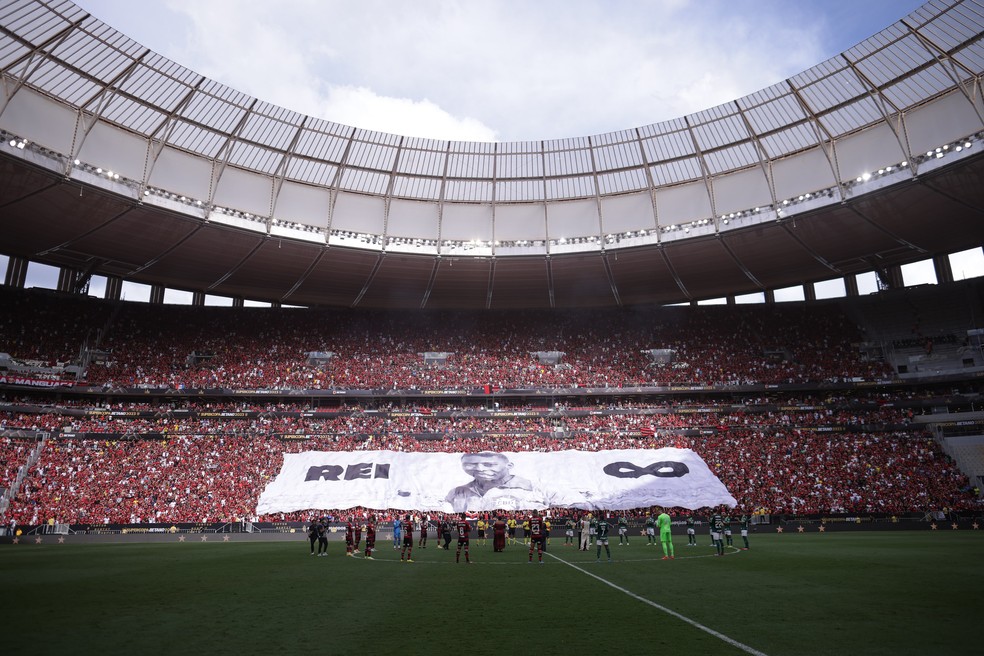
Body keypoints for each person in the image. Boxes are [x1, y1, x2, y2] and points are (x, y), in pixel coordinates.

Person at [445, 452, 547, 513]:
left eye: (488, 465)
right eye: (470, 464)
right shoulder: (456, 492)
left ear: (509, 466)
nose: (480, 469)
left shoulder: (531, 488)